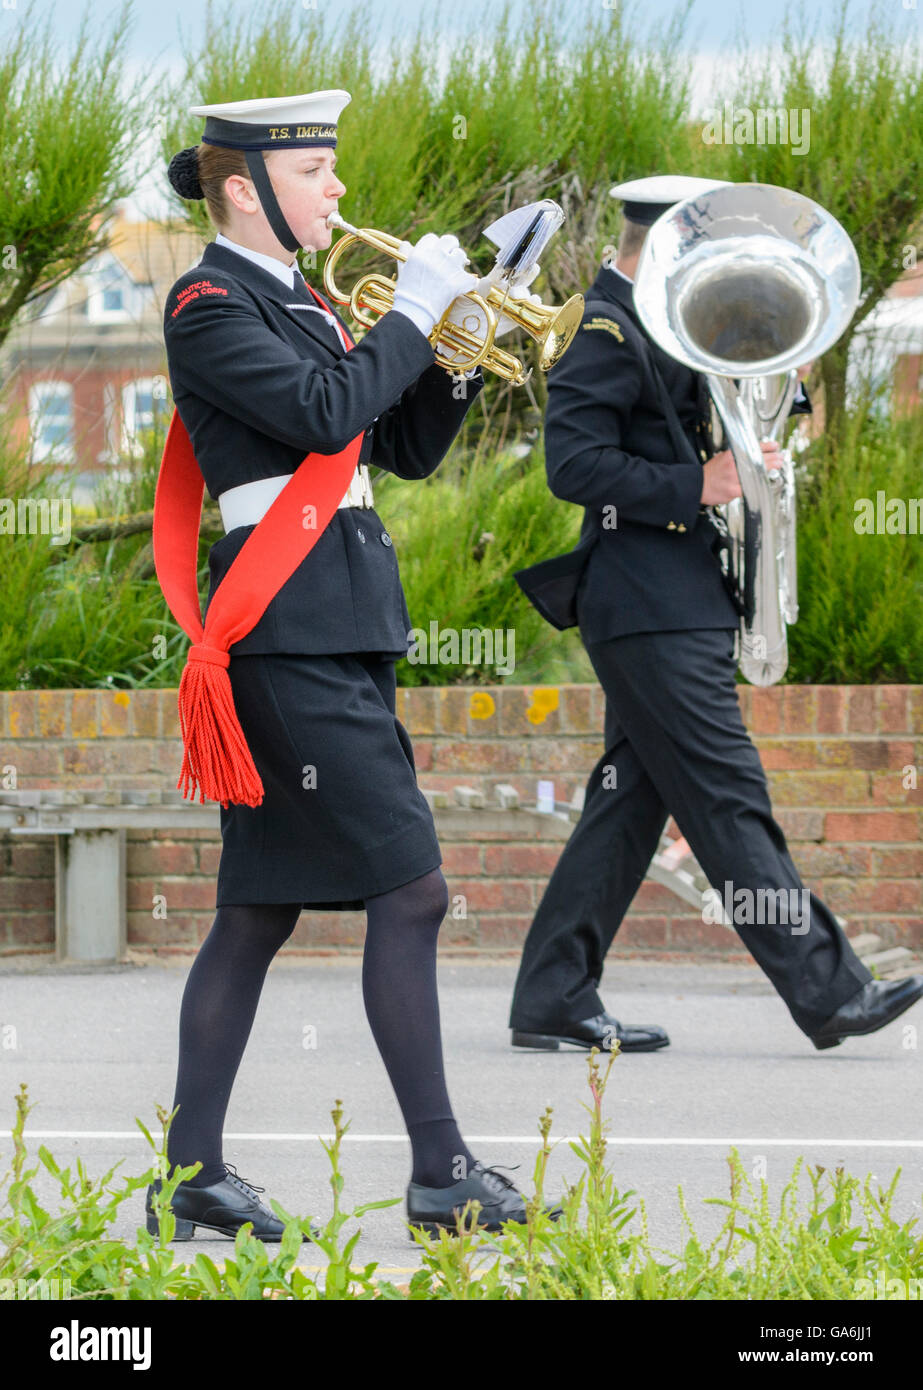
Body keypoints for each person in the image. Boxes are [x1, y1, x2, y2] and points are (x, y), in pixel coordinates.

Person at [145, 89, 559, 1241]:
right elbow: (326, 412)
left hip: (334, 628)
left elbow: (407, 445)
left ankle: (191, 1179)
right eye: (316, 170)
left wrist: (466, 318)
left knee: (255, 913)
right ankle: (439, 1173)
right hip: (285, 637)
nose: (336, 189)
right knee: (412, 888)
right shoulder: (207, 301)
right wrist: (412, 310)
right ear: (244, 186)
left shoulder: (308, 303)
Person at [508, 174, 923, 1055]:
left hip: (673, 596)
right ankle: (829, 990)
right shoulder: (605, 325)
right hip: (646, 602)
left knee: (624, 808)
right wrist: (694, 484)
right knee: (729, 798)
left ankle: (552, 994)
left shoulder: (663, 321)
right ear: (664, 246)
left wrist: (779, 399)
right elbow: (572, 465)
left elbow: (702, 419)